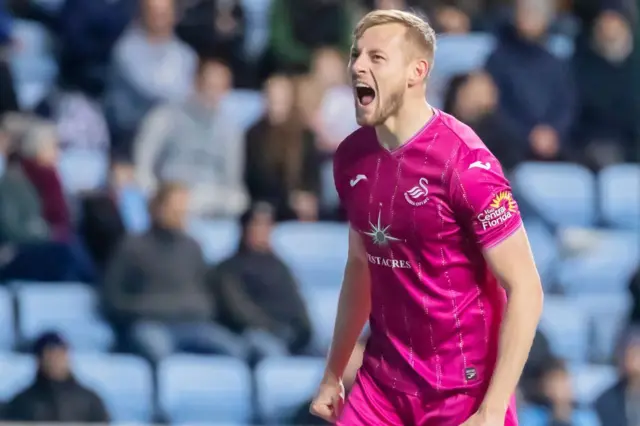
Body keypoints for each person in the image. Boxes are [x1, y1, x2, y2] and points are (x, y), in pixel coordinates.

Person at [309, 9, 543, 426]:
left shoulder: (466, 165)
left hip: (462, 394)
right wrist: (333, 374)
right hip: (382, 387)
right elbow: (362, 265)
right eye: (356, 54)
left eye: (376, 57)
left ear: (417, 71)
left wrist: (492, 409)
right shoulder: (350, 158)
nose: (358, 65)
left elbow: (525, 287)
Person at [2, 332, 109, 422]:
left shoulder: (89, 401)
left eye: (60, 355)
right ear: (39, 360)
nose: (55, 361)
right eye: (49, 355)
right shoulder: (22, 403)